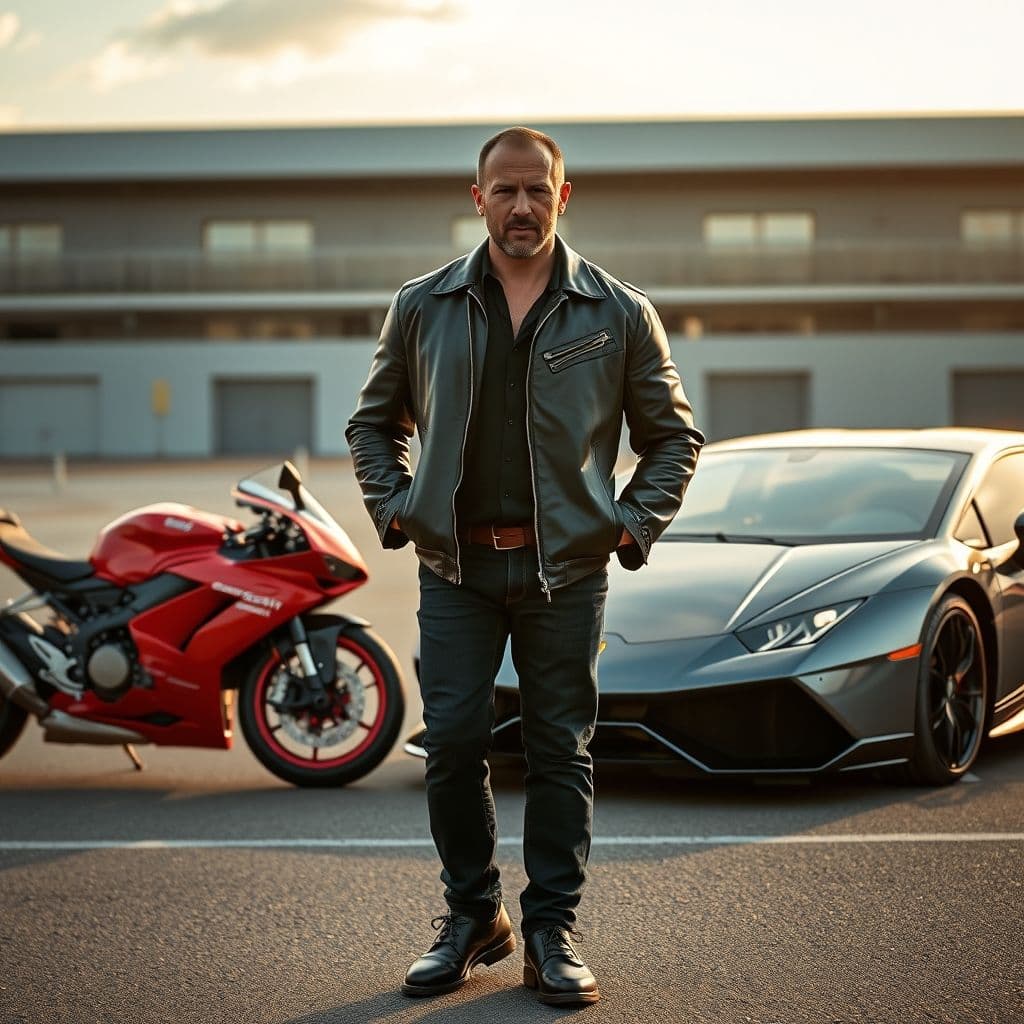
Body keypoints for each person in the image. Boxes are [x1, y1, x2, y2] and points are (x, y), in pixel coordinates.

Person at [346, 126, 704, 1006]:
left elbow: (673, 439)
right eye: (503, 190)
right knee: (453, 743)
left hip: (566, 575)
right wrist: (397, 510)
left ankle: (550, 928)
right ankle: (473, 916)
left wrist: (626, 527)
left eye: (536, 190)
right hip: (457, 570)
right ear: (478, 199)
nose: (520, 206)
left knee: (559, 749)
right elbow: (373, 423)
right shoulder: (424, 305)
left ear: (563, 196)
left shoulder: (618, 312)